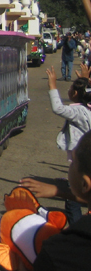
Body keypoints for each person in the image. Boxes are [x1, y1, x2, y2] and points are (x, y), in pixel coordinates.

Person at [19, 129, 91, 271]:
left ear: (85, 184)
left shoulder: (61, 253)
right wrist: (60, 192)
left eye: (73, 162)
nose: (70, 165)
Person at [44, 66, 91, 224]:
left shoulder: (79, 112)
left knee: (73, 199)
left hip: (80, 159)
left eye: (71, 89)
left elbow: (58, 108)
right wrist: (84, 79)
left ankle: (76, 227)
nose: (69, 91)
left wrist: (52, 85)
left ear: (76, 93)